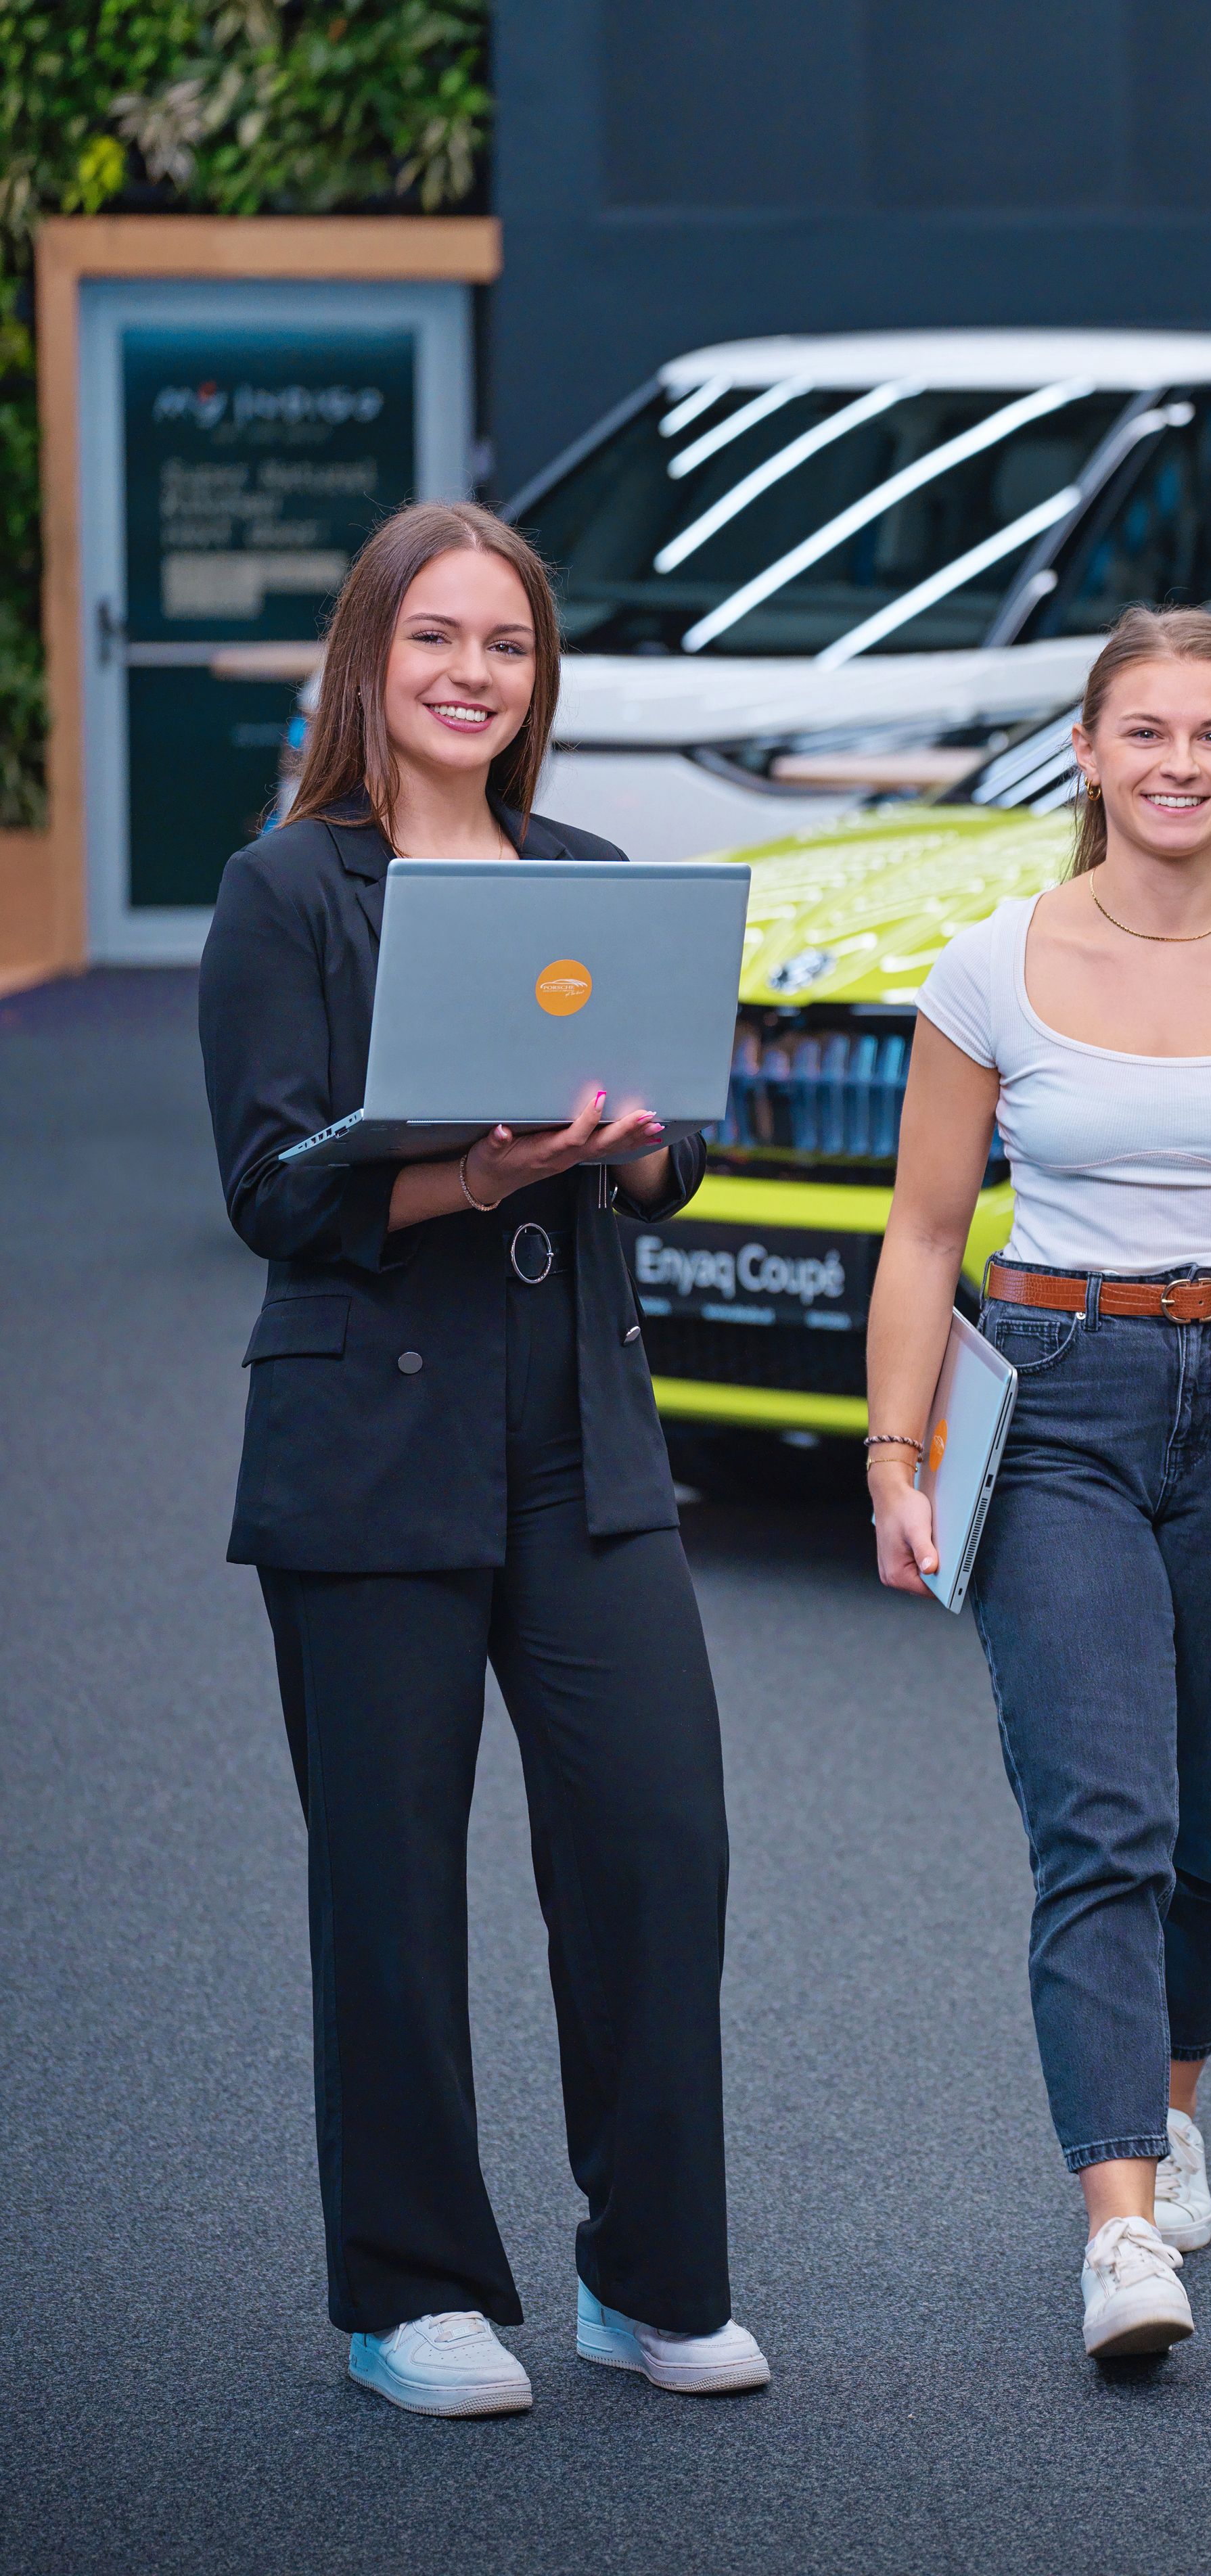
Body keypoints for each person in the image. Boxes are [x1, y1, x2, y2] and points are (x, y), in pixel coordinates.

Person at [198, 501, 768, 2417]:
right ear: (371, 660)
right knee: (391, 1876)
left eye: (507, 646)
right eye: (436, 638)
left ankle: (651, 2279)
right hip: (372, 1439)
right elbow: (272, 1189)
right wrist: (471, 1171)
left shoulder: (596, 873)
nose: (471, 674)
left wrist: (623, 1150)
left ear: (539, 678)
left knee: (656, 1847)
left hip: (579, 1437)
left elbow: (682, 1146)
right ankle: (413, 2294)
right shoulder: (289, 889)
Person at [865, 605, 1211, 2362]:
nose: (1180, 766)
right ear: (1087, 756)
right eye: (1146, 734)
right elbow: (927, 1233)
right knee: (1104, 1817)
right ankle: (1117, 2230)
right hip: (1059, 1395)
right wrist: (893, 1456)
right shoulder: (990, 967)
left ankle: (1166, 2109)